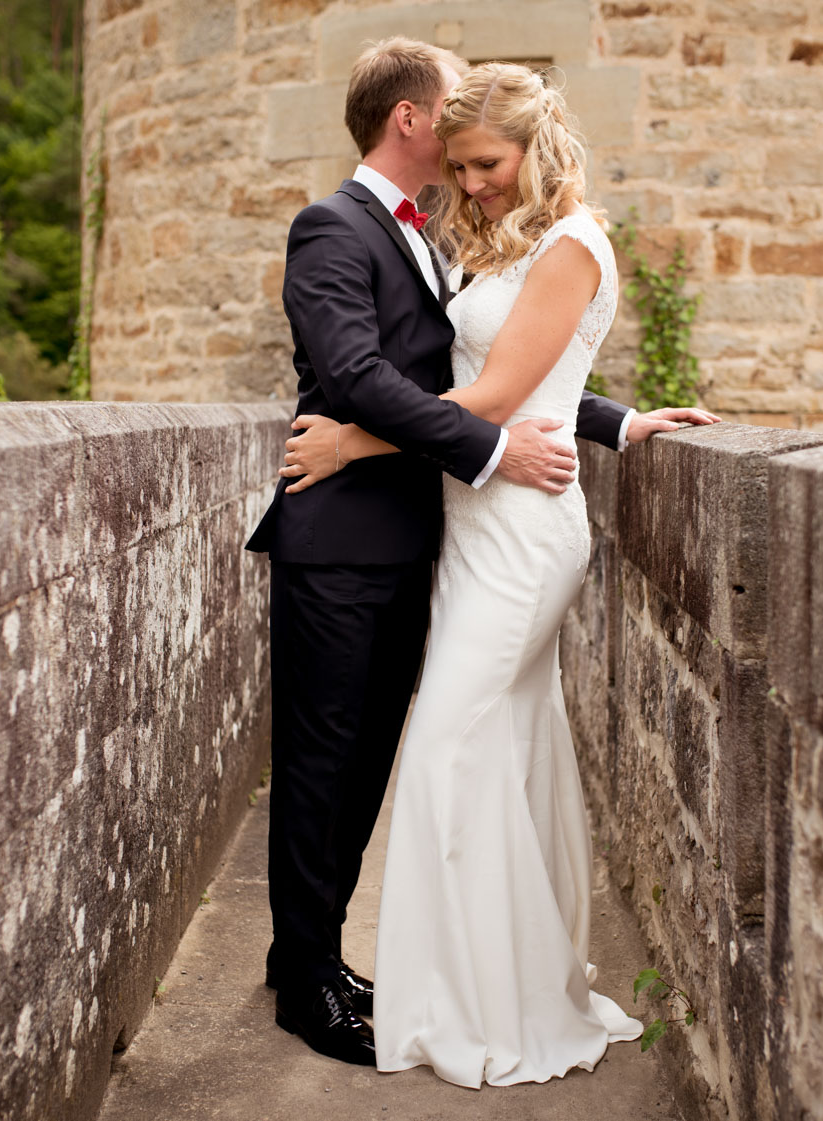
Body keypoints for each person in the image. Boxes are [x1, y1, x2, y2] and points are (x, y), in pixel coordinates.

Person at [245, 39, 714, 1070]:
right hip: (344, 538)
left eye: (485, 157)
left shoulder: (453, 235)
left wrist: (615, 420)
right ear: (410, 118)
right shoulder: (335, 226)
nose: (468, 168)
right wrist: (481, 446)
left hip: (439, 536)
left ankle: (326, 958)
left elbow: (503, 374)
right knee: (332, 762)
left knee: (378, 759)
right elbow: (364, 380)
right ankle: (310, 974)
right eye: (454, 142)